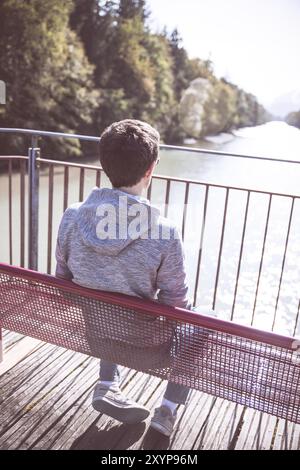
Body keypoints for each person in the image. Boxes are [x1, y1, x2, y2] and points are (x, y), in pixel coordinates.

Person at [55, 119, 193, 437]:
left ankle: (106, 383)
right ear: (150, 170)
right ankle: (167, 412)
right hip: (149, 349)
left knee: (104, 293)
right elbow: (177, 305)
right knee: (203, 321)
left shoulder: (72, 216)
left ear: (105, 164)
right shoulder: (164, 232)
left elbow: (64, 282)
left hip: (96, 336)